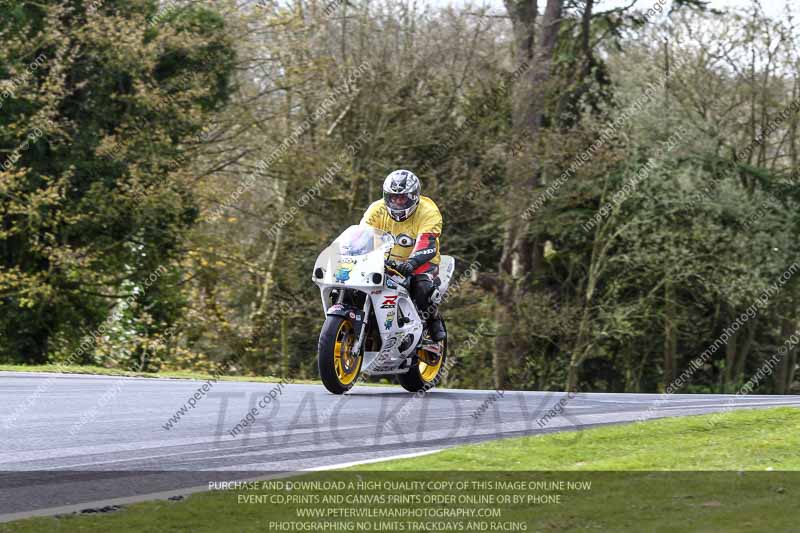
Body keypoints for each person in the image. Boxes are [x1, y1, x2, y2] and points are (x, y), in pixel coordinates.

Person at [360, 169, 446, 342]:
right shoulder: (376, 210)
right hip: (384, 261)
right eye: (393, 198)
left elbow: (427, 242)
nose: (397, 202)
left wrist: (412, 263)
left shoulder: (429, 212)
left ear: (414, 197)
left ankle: (433, 322)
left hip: (420, 261)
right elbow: (362, 235)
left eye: (402, 198)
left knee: (420, 287)